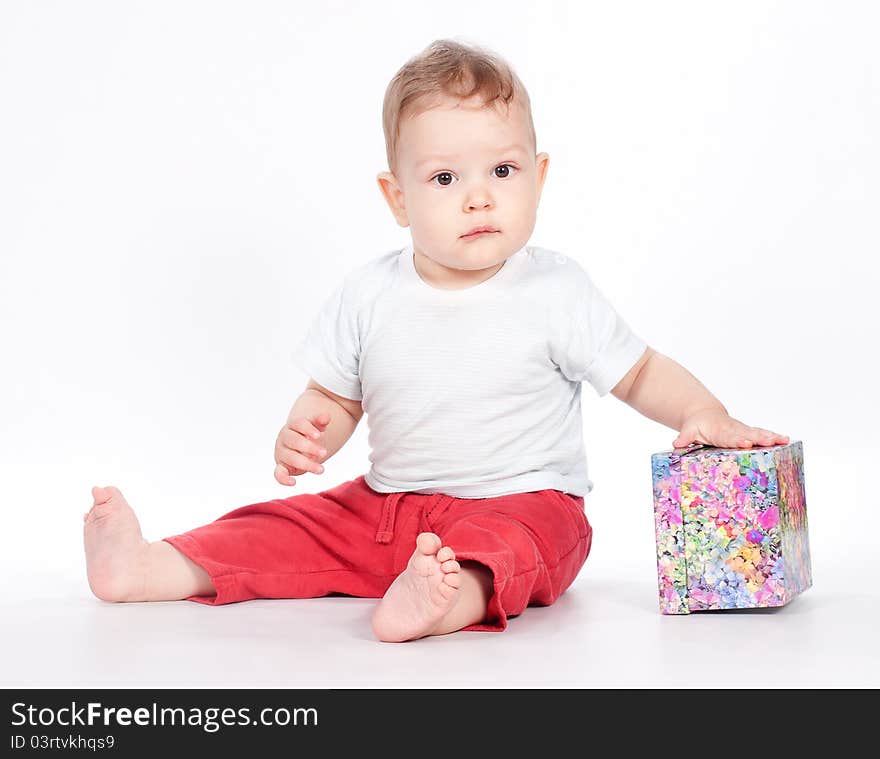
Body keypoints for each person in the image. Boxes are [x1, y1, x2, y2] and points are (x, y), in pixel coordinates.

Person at [83, 38, 789, 642]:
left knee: (511, 551)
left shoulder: (555, 290)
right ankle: (151, 566)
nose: (478, 196)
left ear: (538, 178)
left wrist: (703, 411)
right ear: (398, 198)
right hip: (388, 507)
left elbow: (638, 372)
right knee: (283, 524)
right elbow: (333, 396)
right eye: (446, 177)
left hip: (526, 502)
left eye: (502, 171)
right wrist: (308, 433)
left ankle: (443, 602)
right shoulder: (369, 294)